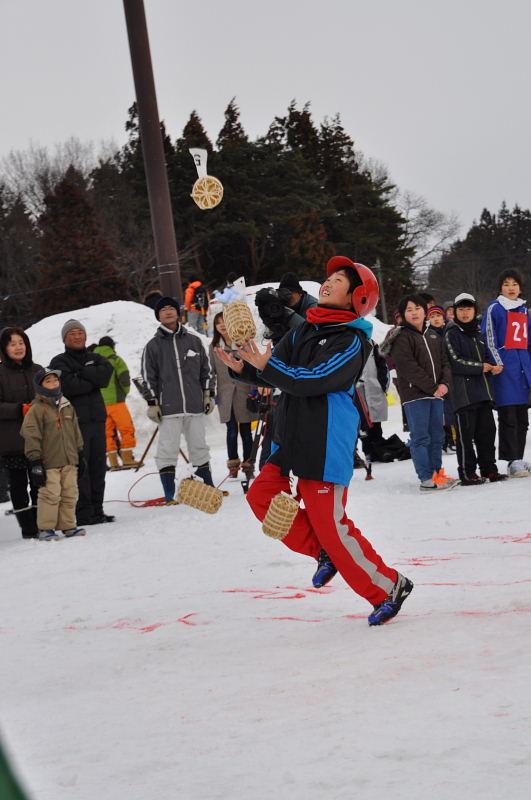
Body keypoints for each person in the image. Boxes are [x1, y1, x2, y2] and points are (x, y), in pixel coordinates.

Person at [216, 255, 414, 626]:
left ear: (356, 298)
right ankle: (324, 551)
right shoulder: (304, 329)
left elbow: (313, 379)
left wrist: (267, 366)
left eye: (339, 280)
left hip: (325, 439)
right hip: (291, 434)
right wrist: (244, 368)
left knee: (331, 525)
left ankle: (389, 587)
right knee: (261, 497)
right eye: (330, 277)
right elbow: (277, 371)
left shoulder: (352, 340)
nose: (328, 282)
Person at [141, 296, 216, 502]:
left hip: (194, 405)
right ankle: (169, 494)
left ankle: (208, 487)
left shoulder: (194, 341)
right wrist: (152, 403)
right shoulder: (153, 346)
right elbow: (148, 377)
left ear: (177, 312)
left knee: (199, 447)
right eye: (163, 309)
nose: (168, 312)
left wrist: (208, 394)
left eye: (171, 308)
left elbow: (207, 371)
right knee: (167, 450)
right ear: (158, 316)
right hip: (168, 408)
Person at [381, 294, 458, 491]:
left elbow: (445, 362)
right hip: (415, 396)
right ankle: (426, 477)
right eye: (409, 310)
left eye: (417, 308)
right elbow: (408, 368)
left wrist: (445, 384)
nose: (414, 313)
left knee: (437, 437)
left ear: (425, 312)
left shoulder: (433, 335)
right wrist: (434, 387)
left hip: (437, 394)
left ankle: (437, 474)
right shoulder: (402, 337)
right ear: (403, 315)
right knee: (421, 437)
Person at [49, 320, 115, 525]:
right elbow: (69, 386)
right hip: (75, 423)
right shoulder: (58, 361)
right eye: (72, 333)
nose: (77, 336)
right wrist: (92, 379)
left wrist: (81, 373)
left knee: (98, 467)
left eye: (80, 333)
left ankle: (98, 510)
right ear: (64, 338)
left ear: (85, 336)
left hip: (97, 419)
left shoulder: (95, 357)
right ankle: (84, 513)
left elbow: (105, 376)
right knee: (81, 468)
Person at [444, 293, 507, 485]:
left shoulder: (479, 333)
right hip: (463, 396)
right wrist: (481, 367)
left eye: (468, 309)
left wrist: (494, 365)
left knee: (487, 433)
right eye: (461, 309)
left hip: (483, 393)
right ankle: (467, 472)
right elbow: (455, 362)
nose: (465, 313)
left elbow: (488, 355)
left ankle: (489, 470)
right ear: (455, 312)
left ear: (475, 311)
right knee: (466, 437)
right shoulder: (451, 333)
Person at [21, 368, 86, 540]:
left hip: (69, 459)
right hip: (48, 462)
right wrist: (35, 461)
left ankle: (68, 525)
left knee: (70, 493)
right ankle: (46, 528)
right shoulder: (37, 409)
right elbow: (31, 434)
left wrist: (80, 453)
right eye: (48, 381)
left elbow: (75, 431)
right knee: (50, 495)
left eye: (55, 380)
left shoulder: (67, 405)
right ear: (40, 386)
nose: (53, 383)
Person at [481, 269, 531, 477]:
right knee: (508, 416)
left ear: (520, 288)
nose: (511, 288)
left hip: (523, 370)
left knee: (522, 419)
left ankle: (519, 457)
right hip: (504, 370)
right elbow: (488, 338)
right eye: (506, 284)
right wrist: (497, 362)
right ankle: (512, 460)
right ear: (500, 288)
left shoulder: (524, 310)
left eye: (515, 284)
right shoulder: (495, 308)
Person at [0, 327, 42, 538]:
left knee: (39, 482)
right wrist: (19, 409)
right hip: (12, 440)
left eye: (21, 343)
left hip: (38, 439)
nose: (18, 347)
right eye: (12, 344)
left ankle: (42, 522)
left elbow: (52, 394)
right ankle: (28, 528)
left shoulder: (38, 370)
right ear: (4, 349)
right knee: (18, 485)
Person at [210, 312, 258, 480]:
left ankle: (248, 465)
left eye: (224, 321)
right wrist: (211, 392)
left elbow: (252, 367)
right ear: (215, 327)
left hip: (244, 392)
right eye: (218, 323)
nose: (222, 325)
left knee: (246, 431)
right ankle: (233, 465)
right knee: (231, 431)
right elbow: (211, 371)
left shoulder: (242, 343)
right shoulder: (214, 347)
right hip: (225, 395)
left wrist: (254, 389)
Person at [93, 336, 138, 469]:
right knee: (127, 429)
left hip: (101, 404)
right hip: (117, 403)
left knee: (108, 433)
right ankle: (127, 459)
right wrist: (124, 393)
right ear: (112, 346)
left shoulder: (93, 362)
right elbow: (124, 378)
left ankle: (113, 462)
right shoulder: (116, 360)